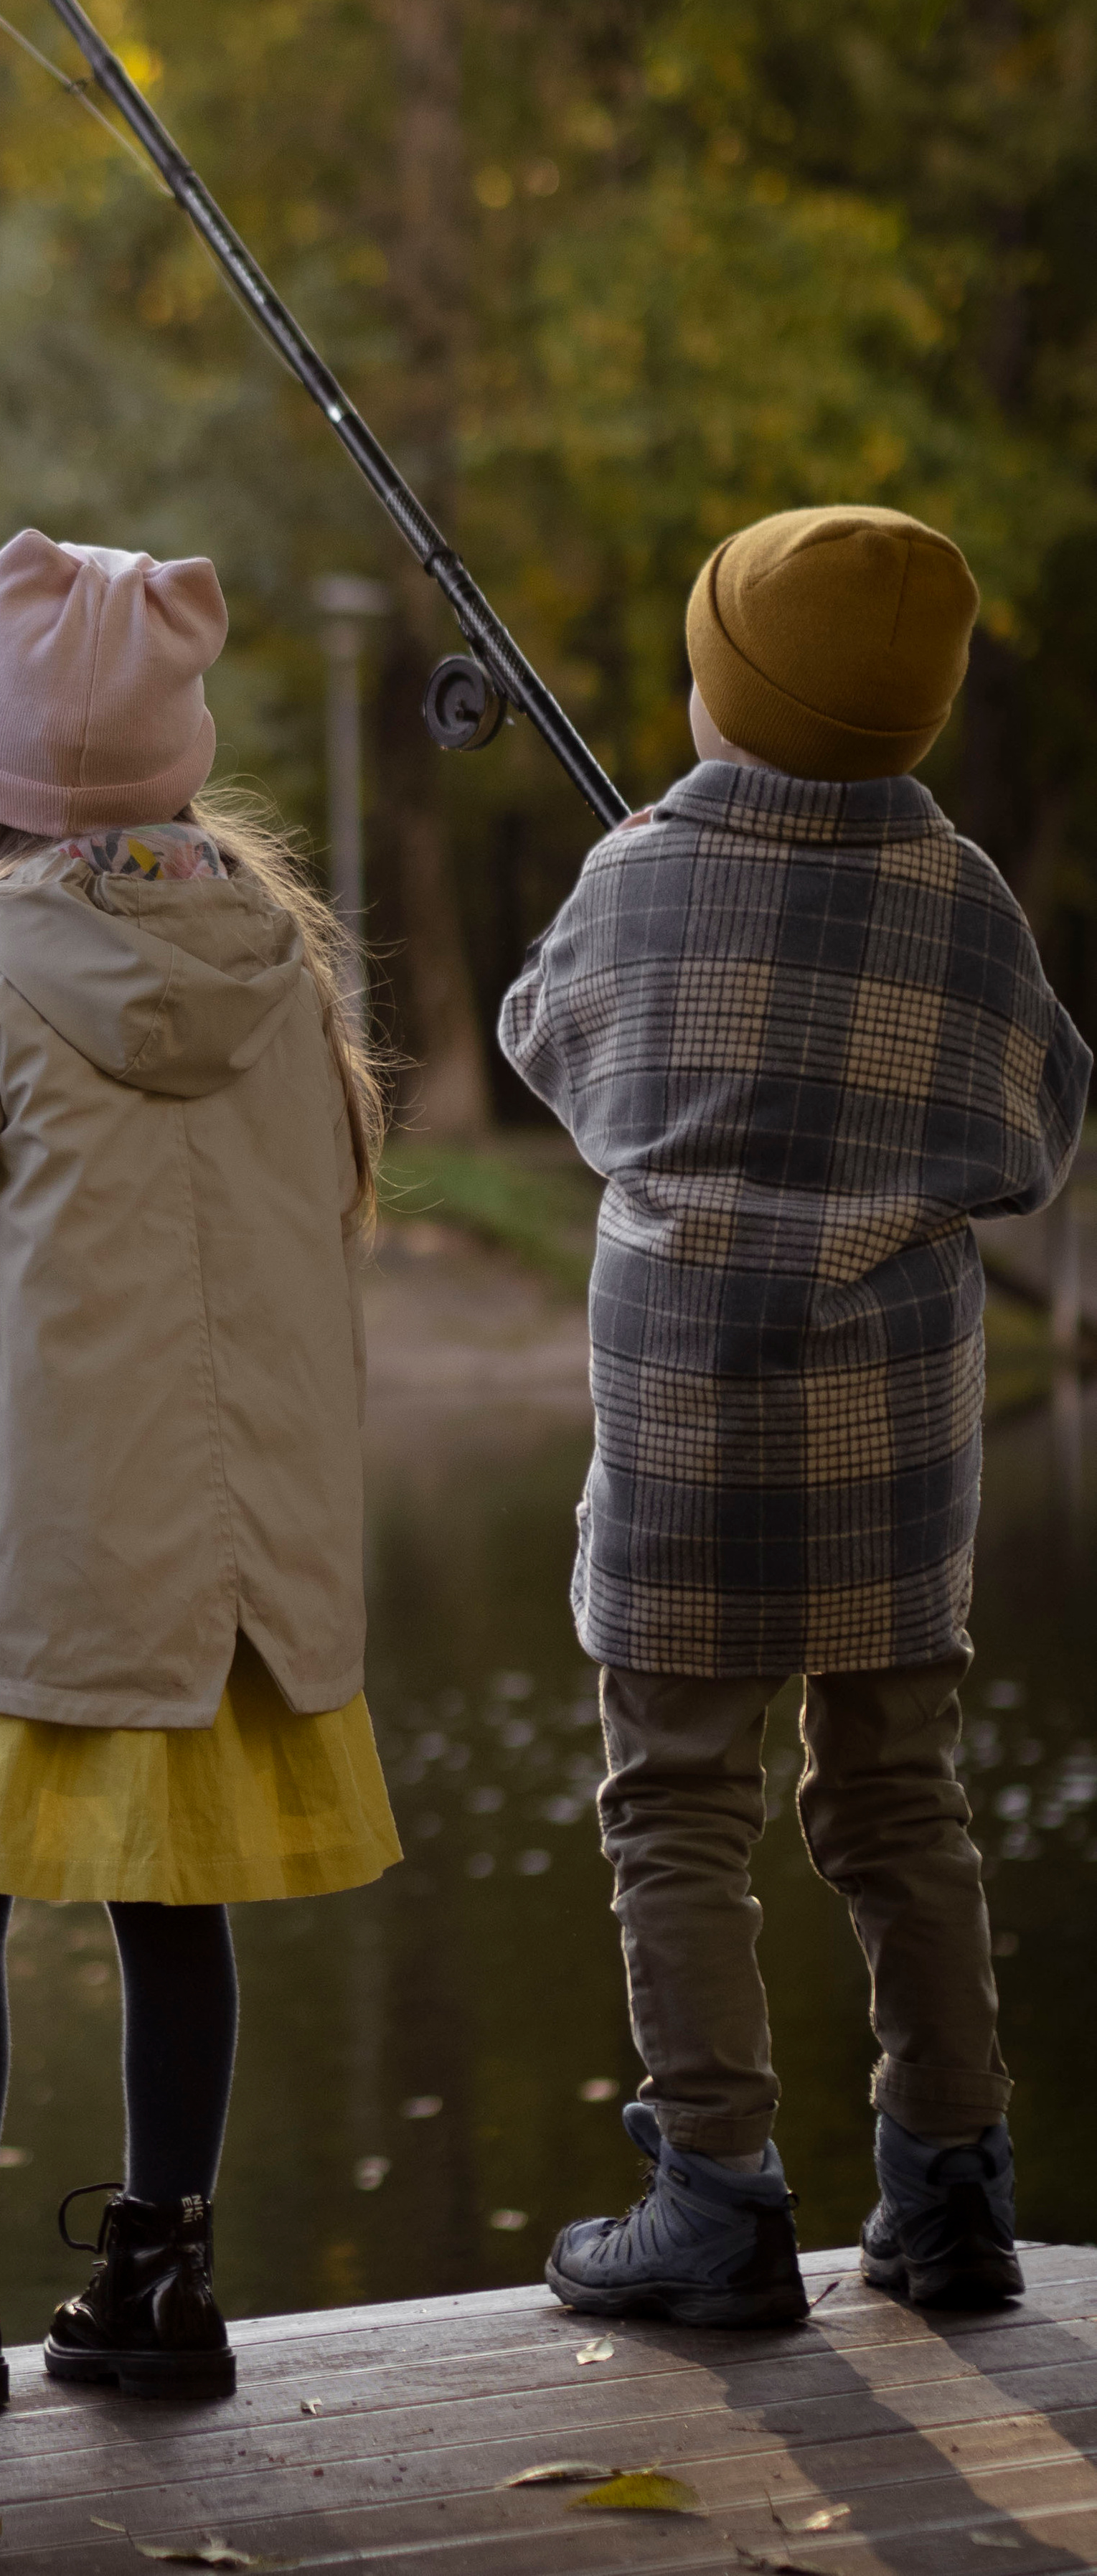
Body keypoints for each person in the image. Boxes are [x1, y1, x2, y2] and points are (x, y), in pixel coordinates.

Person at [0, 527, 401, 2411]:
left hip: (27, 1556)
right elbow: (321, 1230)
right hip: (227, 1566)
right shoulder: (281, 963)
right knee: (175, 1904)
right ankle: (159, 2277)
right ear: (181, 751)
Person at [499, 504, 1090, 2328]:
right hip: (896, 1446)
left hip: (684, 1423)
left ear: (718, 691)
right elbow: (1036, 1130)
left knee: (674, 1801)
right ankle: (952, 2196)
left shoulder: (636, 872)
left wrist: (649, 883)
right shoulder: (961, 893)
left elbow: (545, 1048)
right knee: (899, 1798)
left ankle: (715, 2199)